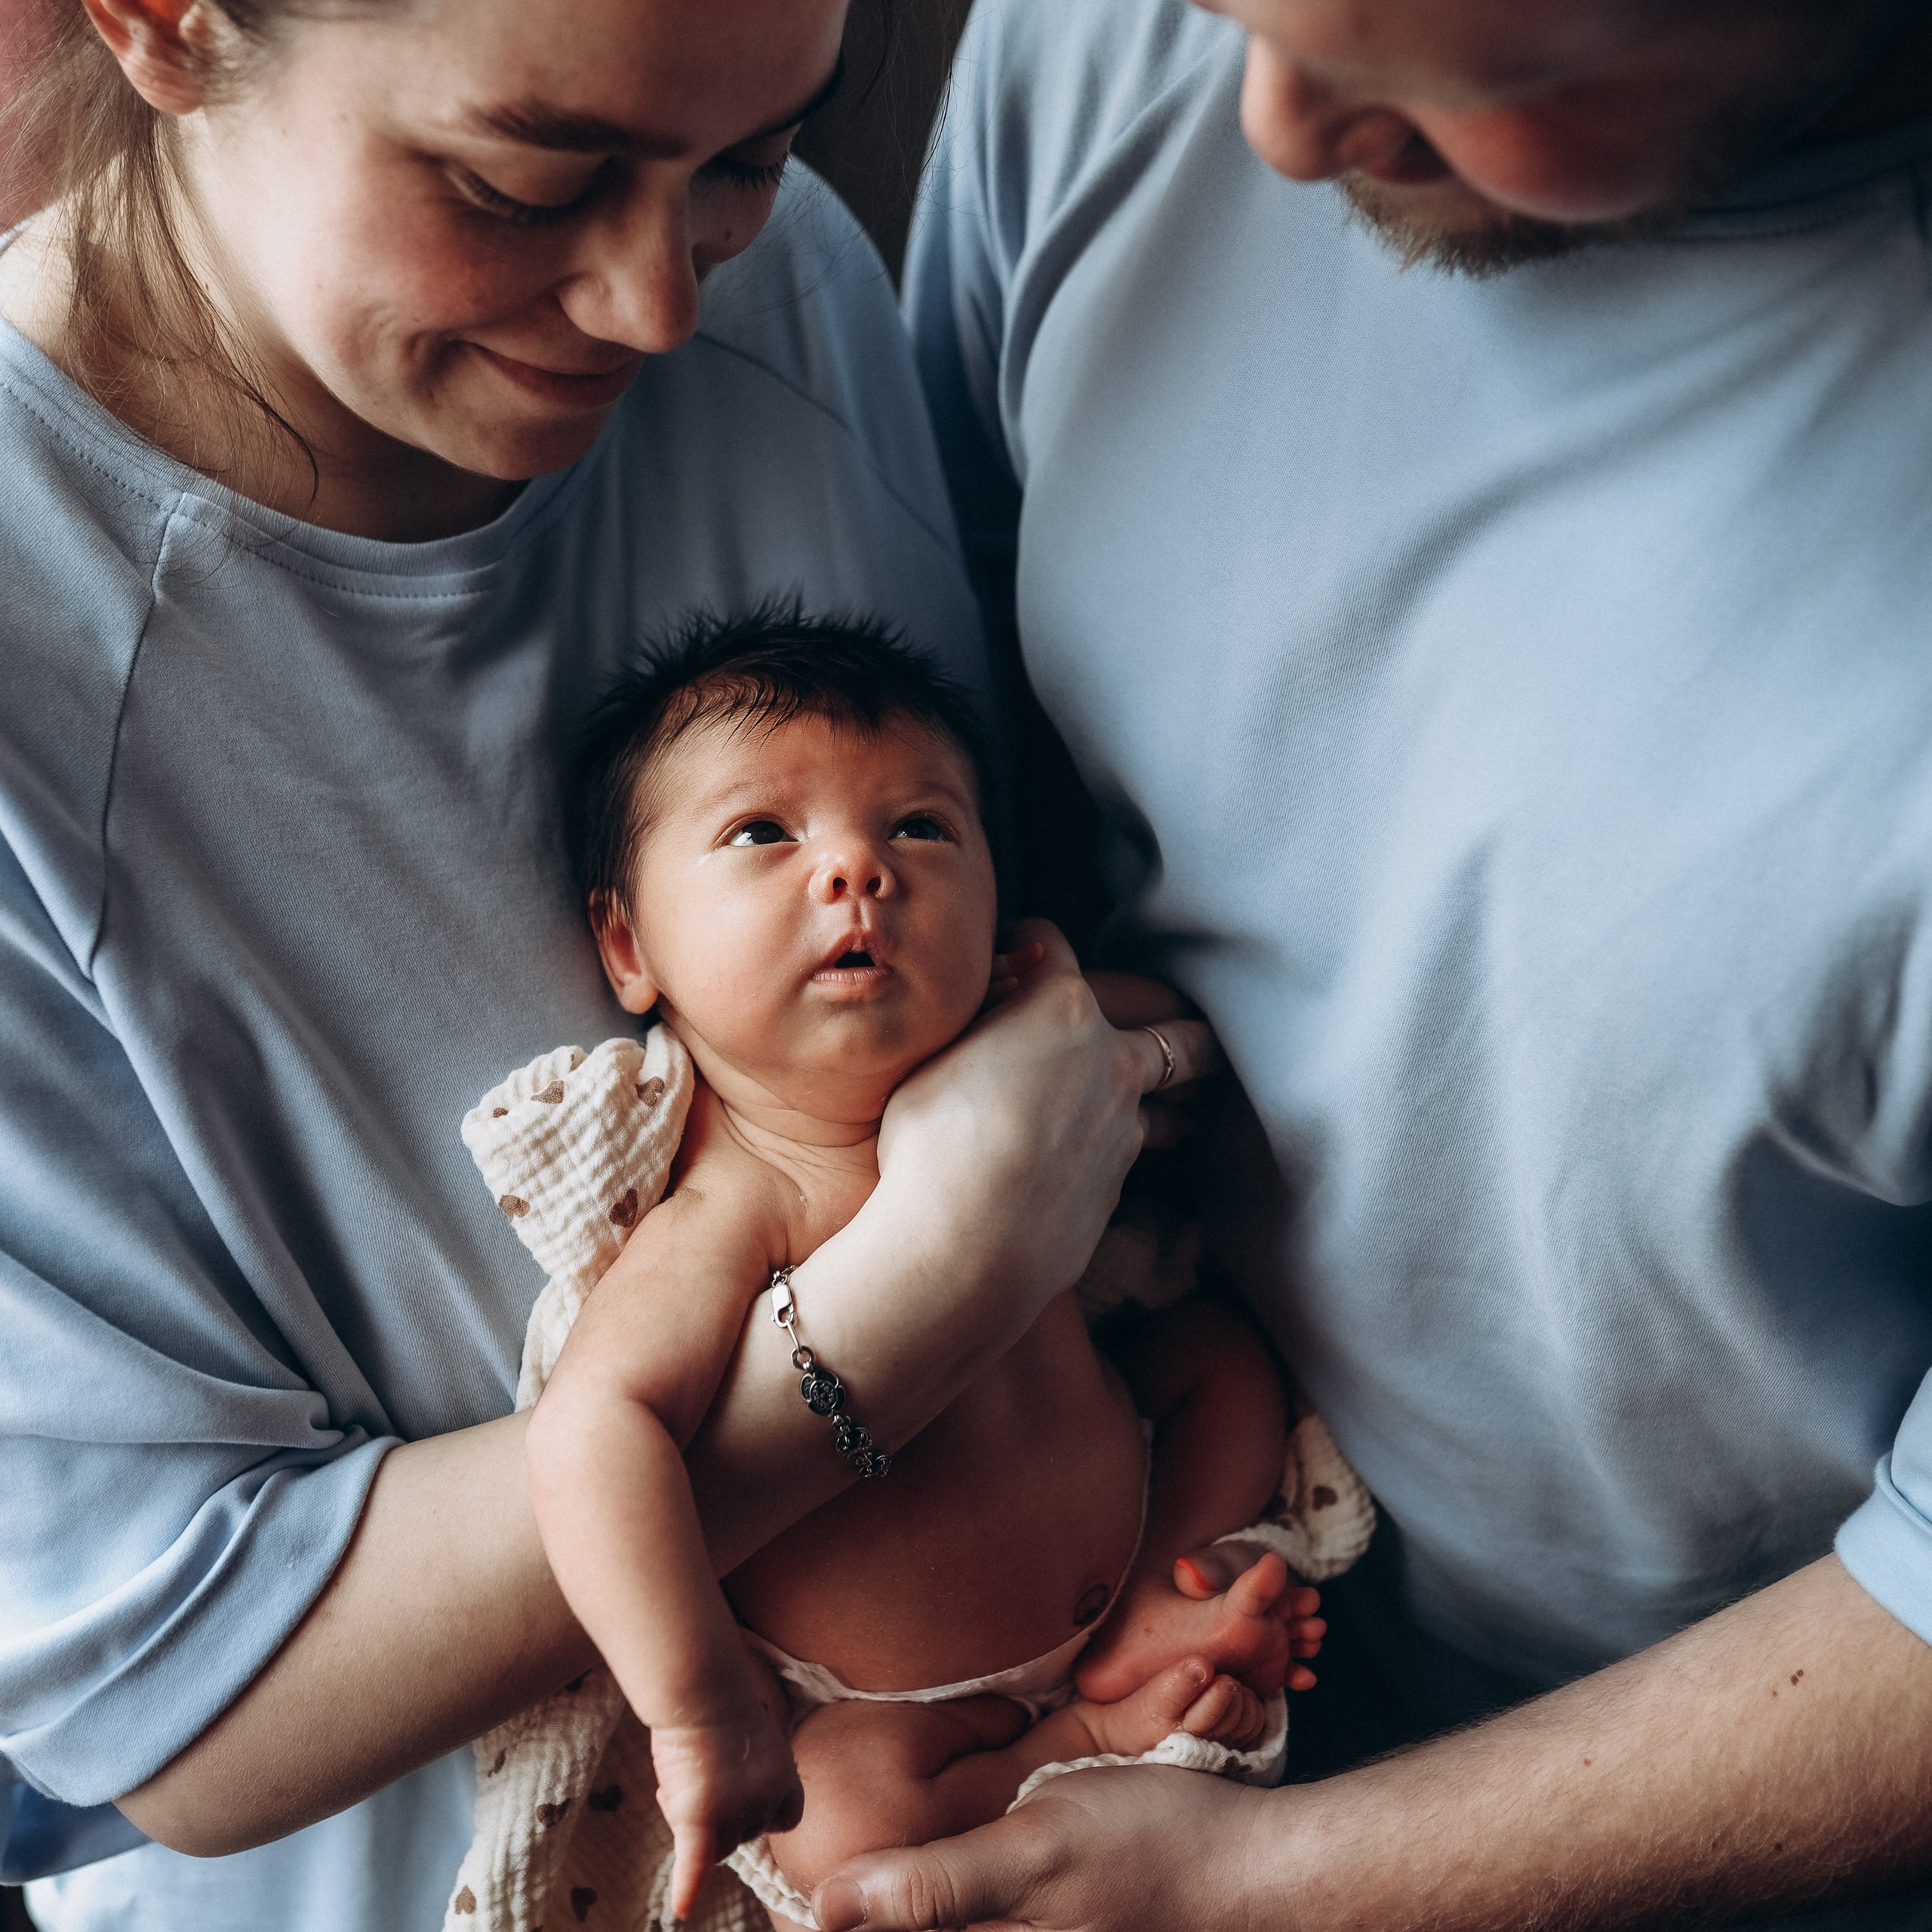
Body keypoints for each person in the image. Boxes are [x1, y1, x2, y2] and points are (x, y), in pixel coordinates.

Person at [0, 2, 1217, 1928]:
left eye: (744, 159)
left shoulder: (788, 279)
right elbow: (173, 1696)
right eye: (522, 183)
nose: (659, 304)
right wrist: (943, 1275)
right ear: (162, 24)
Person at [796, 0, 1932, 1927]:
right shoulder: (1110, 41)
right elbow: (957, 758)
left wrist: (1274, 1882)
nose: (1275, 131)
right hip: (1102, 1676)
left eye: (1472, 77)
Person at [531, 613, 1312, 1922]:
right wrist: (699, 1704)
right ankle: (1074, 1750)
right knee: (841, 1822)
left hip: (1120, 1546)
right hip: (893, 1710)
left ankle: (1164, 1605)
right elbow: (593, 1431)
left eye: (921, 830)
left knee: (1220, 1364)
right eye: (763, 834)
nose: (856, 869)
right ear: (630, 950)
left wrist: (1069, 1004)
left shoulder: (1009, 1037)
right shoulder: (737, 1201)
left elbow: (1186, 1032)